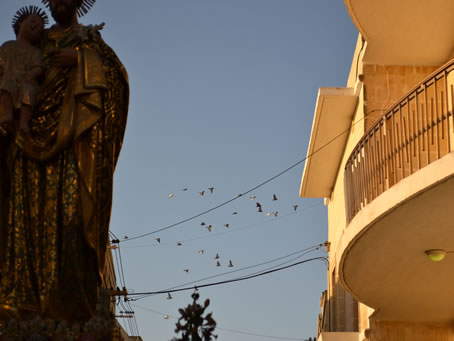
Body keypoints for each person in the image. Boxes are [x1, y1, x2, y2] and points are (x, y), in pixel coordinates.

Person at [0, 0, 129, 322]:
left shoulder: (89, 39)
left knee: (70, 218)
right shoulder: (34, 41)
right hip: (27, 141)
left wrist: (81, 59)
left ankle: (70, 310)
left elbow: (116, 78)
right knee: (26, 220)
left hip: (74, 142)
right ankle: (23, 308)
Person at [0, 6, 48, 133]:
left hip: (26, 80)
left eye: (39, 27)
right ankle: (7, 114)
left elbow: (39, 67)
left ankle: (24, 122)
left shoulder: (35, 52)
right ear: (20, 22)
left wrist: (33, 74)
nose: (35, 27)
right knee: (6, 83)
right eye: (32, 21)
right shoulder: (7, 46)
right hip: (9, 78)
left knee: (29, 90)